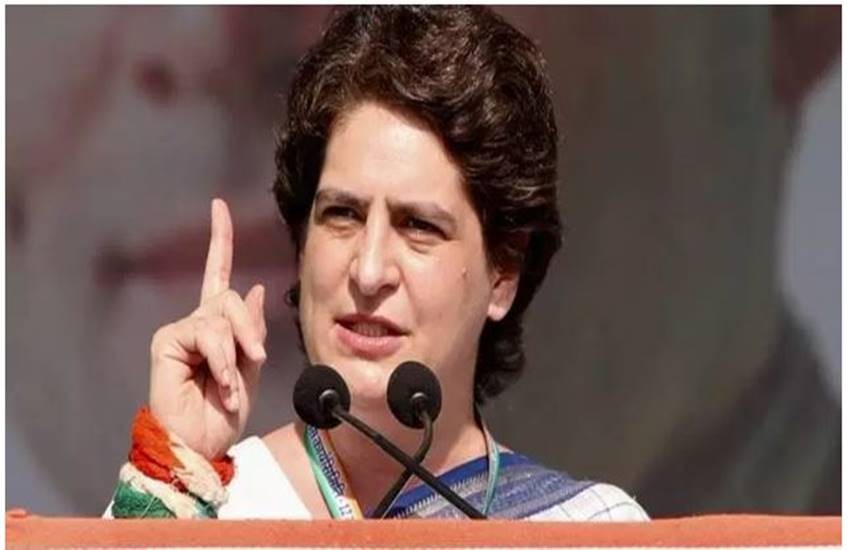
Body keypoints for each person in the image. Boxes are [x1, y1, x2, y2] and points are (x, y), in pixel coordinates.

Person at [107, 6, 648, 521]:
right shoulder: (204, 503)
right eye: (342, 215)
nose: (368, 273)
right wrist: (176, 480)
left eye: (419, 227)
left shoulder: (590, 528)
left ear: (503, 273)